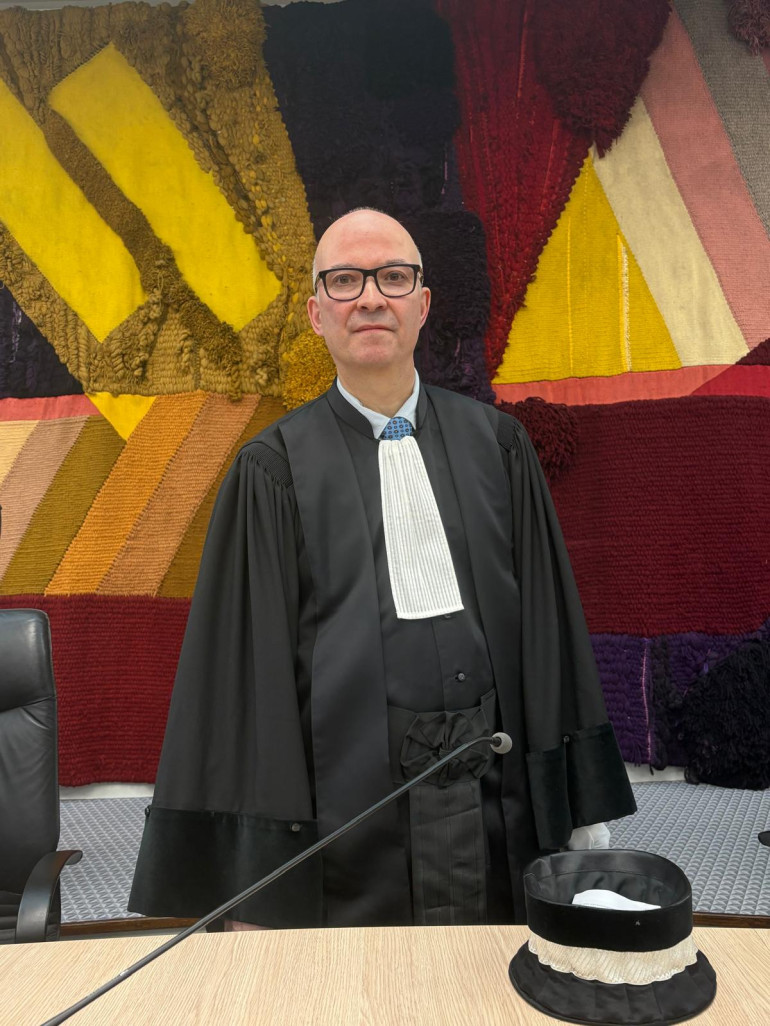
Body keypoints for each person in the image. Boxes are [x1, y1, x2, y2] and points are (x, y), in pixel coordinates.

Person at [129, 209, 636, 930]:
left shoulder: (499, 446)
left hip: (501, 802)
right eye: (345, 281)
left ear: (422, 304)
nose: (370, 297)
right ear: (315, 314)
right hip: (350, 829)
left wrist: (580, 810)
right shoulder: (270, 473)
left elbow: (551, 633)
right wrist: (252, 884)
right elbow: (246, 685)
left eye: (393, 277)